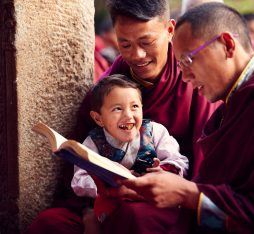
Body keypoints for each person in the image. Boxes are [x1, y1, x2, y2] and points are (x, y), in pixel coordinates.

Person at [24, 0, 218, 233]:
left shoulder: (195, 85)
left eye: (146, 42)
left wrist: (167, 181)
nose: (137, 55)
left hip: (167, 203)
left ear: (169, 31)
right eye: (124, 44)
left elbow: (209, 167)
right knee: (50, 223)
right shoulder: (105, 91)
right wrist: (89, 211)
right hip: (103, 203)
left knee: (134, 216)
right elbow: (76, 165)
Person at [120, 3, 254, 233]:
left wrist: (189, 194)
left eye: (189, 61)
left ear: (228, 45)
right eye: (179, 65)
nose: (184, 76)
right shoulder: (234, 104)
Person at [73, 74, 188, 233]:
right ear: (98, 118)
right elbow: (79, 179)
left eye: (134, 107)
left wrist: (165, 170)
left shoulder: (154, 132)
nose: (128, 115)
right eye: (117, 109)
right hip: (114, 203)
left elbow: (178, 160)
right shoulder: (93, 142)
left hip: (149, 200)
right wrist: (104, 183)